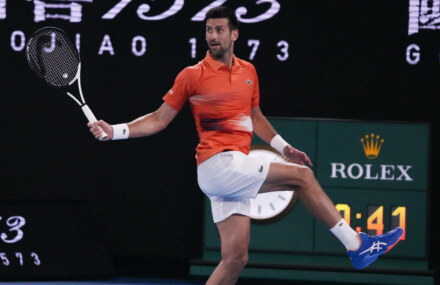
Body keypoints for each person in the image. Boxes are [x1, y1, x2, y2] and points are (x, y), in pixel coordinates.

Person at [88, 6, 403, 285]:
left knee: (235, 260)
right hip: (217, 165)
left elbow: (256, 117)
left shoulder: (249, 72)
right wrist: (115, 131)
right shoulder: (192, 75)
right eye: (209, 30)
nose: (213, 36)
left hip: (232, 172)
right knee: (303, 178)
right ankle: (357, 246)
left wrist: (284, 146)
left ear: (234, 34)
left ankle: (357, 247)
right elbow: (158, 119)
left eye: (219, 30)